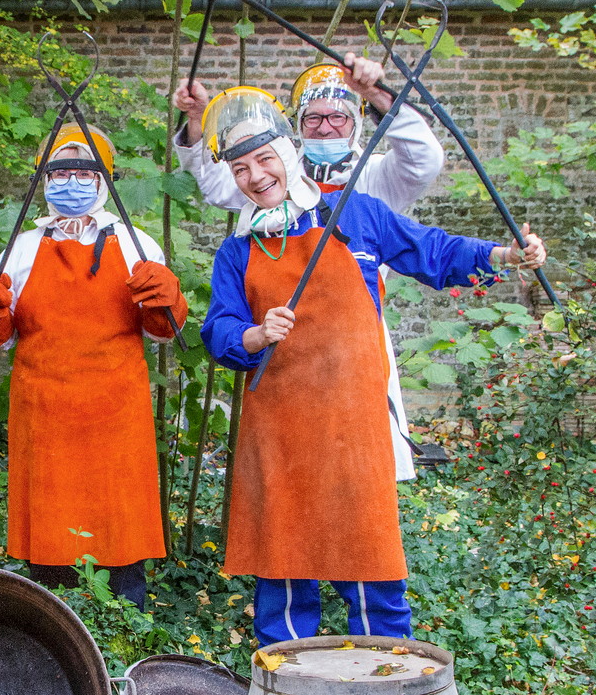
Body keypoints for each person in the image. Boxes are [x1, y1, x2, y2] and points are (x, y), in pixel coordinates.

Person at [197, 87, 546, 646]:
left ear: (287, 153)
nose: (256, 176)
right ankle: (286, 681)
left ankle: (389, 673)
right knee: (285, 556)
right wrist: (254, 334)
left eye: (264, 159)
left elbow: (433, 252)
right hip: (279, 431)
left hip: (354, 426)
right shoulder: (236, 250)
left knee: (368, 553)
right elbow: (218, 330)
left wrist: (503, 256)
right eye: (240, 169)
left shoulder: (356, 214)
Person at [175, 57, 446, 481]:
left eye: (337, 117)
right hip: (281, 339)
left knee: (357, 466)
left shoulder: (374, 177)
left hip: (351, 337)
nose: (324, 128)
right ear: (296, 127)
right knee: (294, 468)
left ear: (355, 121)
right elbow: (217, 180)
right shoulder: (276, 171)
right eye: (313, 118)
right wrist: (197, 117)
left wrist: (376, 93)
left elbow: (423, 160)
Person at [0, 124, 187, 604]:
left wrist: (168, 301)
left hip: (116, 414)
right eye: (60, 171)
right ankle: (56, 642)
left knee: (120, 535)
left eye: (83, 171)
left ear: (104, 179)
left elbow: (161, 331)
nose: (71, 181)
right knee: (50, 543)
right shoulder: (20, 249)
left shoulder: (137, 244)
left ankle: (125, 631)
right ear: (43, 180)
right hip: (44, 414)